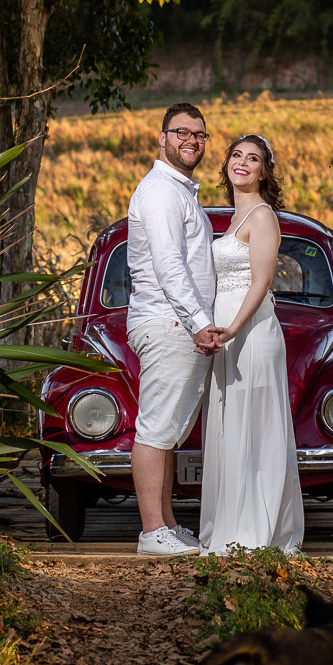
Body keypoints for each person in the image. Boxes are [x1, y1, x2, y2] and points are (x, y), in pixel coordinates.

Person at [197, 133, 304, 557]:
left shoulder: (262, 217)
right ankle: (230, 521)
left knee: (254, 428)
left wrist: (233, 329)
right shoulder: (234, 217)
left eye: (252, 158)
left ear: (264, 170)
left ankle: (257, 527)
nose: (242, 163)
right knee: (229, 426)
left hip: (251, 335)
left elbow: (261, 282)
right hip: (226, 337)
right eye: (236, 156)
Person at [127, 102, 220, 556]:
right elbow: (169, 267)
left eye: (199, 134)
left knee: (168, 431)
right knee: (156, 428)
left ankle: (165, 523)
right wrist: (200, 323)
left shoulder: (181, 190)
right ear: (162, 137)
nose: (191, 140)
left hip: (175, 322)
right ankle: (151, 532)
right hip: (168, 322)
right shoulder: (162, 192)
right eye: (181, 132)